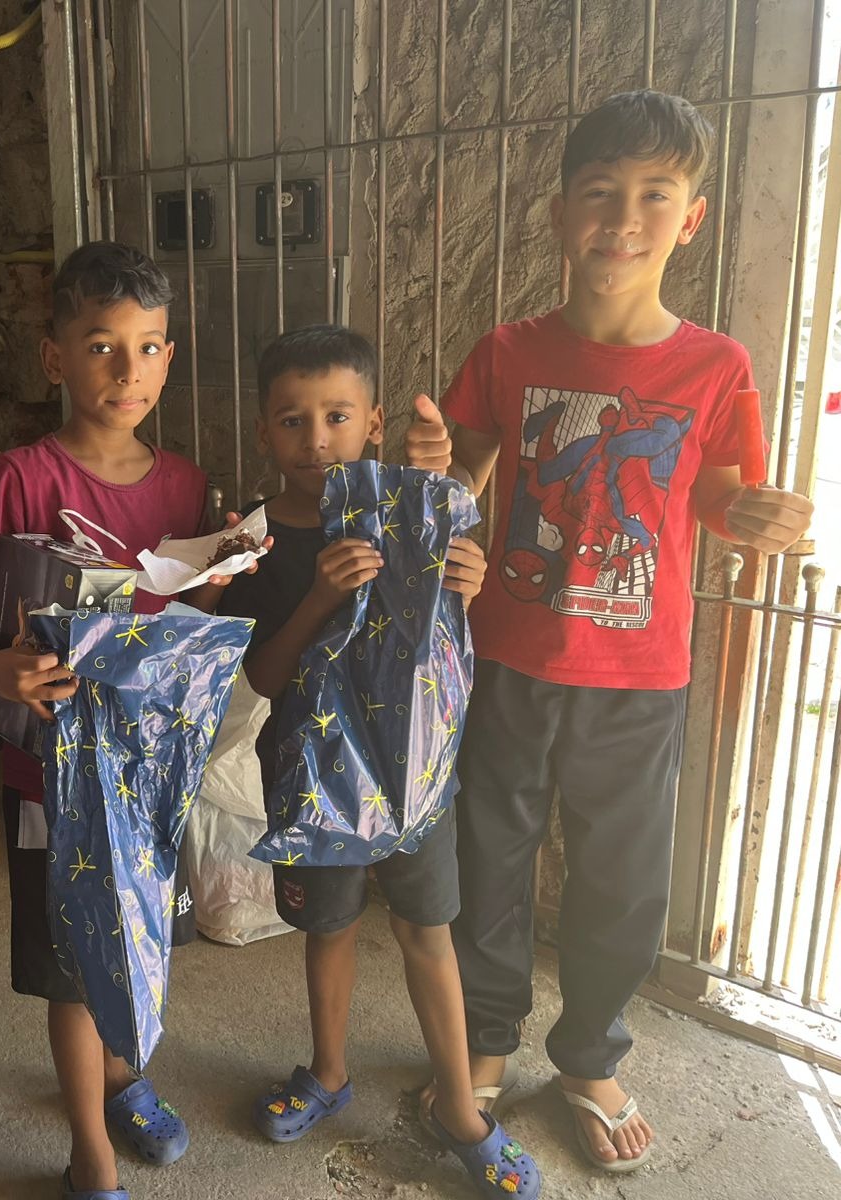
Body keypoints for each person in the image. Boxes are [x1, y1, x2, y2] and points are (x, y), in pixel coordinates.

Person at [404, 89, 814, 1173]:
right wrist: (429, 483)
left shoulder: (715, 367)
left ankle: (588, 1052)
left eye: (652, 196)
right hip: (505, 660)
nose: (621, 218)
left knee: (624, 882)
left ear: (692, 219)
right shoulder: (505, 349)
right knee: (488, 861)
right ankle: (484, 1040)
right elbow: (458, 482)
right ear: (557, 214)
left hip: (641, 674)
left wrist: (751, 517)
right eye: (599, 194)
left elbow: (721, 493)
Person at [0, 241, 248, 1200]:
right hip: (52, 778)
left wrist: (227, 576)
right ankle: (90, 1150)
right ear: (55, 359)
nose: (130, 371)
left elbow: (188, 629)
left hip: (150, 776)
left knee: (138, 940)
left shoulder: (188, 487)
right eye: (104, 346)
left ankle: (122, 1077)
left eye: (151, 348)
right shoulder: (24, 480)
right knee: (74, 963)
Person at [219, 326, 541, 1199]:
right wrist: (322, 592)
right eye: (291, 420)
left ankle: (462, 1110)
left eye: (335, 416)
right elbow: (261, 676)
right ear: (263, 432)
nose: (315, 439)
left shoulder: (416, 515)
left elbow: (441, 641)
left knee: (427, 934)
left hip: (416, 782)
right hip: (315, 787)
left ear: (373, 421)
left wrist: (464, 589)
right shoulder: (255, 542)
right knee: (327, 930)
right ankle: (328, 1072)